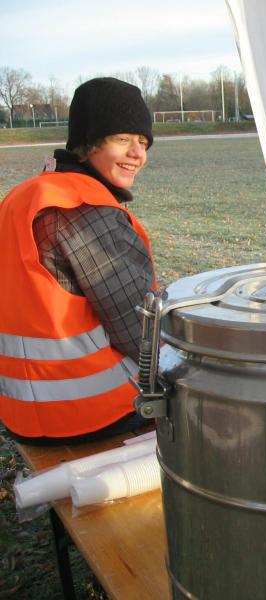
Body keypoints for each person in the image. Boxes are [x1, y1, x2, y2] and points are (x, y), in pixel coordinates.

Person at [0, 77, 157, 445]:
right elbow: (139, 332)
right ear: (88, 144)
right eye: (123, 139)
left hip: (20, 408)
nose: (138, 153)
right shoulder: (83, 208)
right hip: (91, 409)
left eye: (144, 142)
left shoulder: (24, 196)